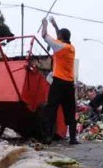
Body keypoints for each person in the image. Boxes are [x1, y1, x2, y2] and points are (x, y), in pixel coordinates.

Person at [41, 16, 78, 144]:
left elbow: (44, 35)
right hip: (69, 84)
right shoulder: (71, 48)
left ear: (61, 38)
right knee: (70, 110)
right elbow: (60, 38)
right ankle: (73, 138)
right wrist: (55, 25)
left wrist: (44, 24)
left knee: (51, 109)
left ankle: (48, 137)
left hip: (58, 83)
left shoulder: (59, 46)